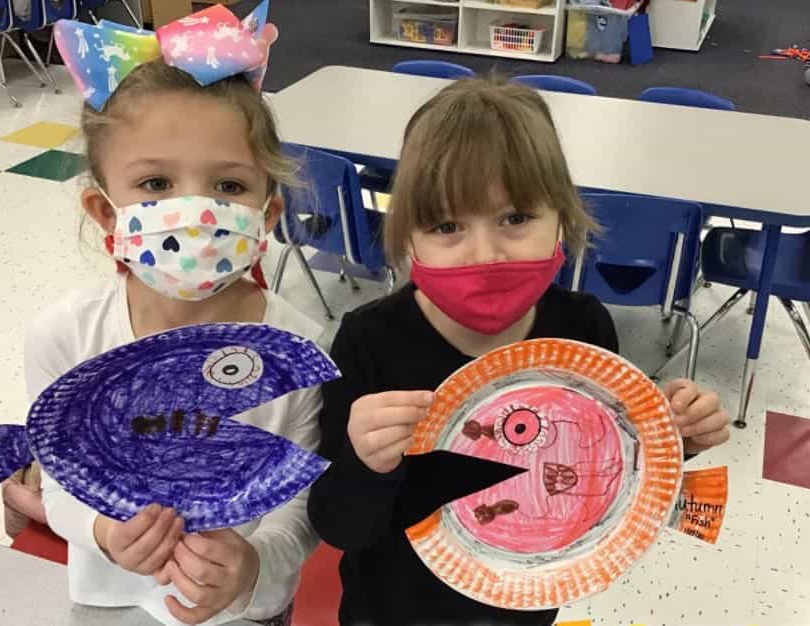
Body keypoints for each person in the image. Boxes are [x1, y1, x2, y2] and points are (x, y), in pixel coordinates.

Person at [307, 76, 732, 626]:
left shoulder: (581, 329)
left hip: (523, 610)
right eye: (446, 225)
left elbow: (599, 475)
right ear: (407, 237)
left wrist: (674, 439)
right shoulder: (368, 341)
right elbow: (337, 526)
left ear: (562, 216)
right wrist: (364, 464)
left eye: (515, 218)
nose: (485, 253)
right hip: (389, 610)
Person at [8, 9, 320, 626]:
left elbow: (303, 504)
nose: (195, 211)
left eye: (228, 187)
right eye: (155, 182)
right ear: (104, 211)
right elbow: (60, 477)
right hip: (109, 599)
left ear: (269, 211)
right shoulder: (66, 336)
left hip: (245, 611)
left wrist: (254, 563)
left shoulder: (300, 349)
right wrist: (99, 529)